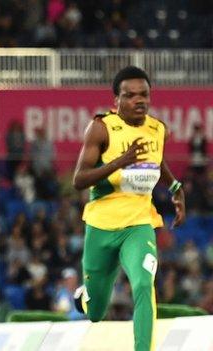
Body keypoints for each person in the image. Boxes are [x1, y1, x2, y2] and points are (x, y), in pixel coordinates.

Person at [72, 66, 186, 351]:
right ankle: (85, 297)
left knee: (144, 286)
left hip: (138, 224)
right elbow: (79, 180)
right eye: (131, 95)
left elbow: (156, 161)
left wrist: (175, 188)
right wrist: (118, 162)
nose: (139, 100)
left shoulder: (157, 129)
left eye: (144, 94)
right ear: (117, 101)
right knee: (96, 313)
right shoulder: (101, 128)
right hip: (101, 227)